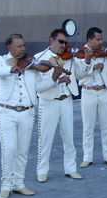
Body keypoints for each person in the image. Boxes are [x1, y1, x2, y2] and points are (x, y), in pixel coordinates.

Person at [0, 34, 60, 198]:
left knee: (23, 150)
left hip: (27, 111)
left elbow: (39, 87)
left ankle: (19, 183)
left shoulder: (31, 64)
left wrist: (54, 78)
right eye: (19, 46)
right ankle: (6, 185)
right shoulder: (0, 60)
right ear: (9, 47)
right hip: (7, 111)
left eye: (24, 45)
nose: (23, 49)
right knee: (9, 149)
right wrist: (10, 70)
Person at [35, 29, 82, 182]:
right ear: (52, 40)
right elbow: (38, 87)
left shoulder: (68, 58)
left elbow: (80, 74)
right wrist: (56, 80)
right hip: (49, 102)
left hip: (66, 99)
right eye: (61, 42)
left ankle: (71, 168)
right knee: (45, 138)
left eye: (65, 43)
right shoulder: (40, 58)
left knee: (69, 137)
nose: (64, 45)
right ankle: (42, 170)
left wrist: (87, 62)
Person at [75, 27, 107, 168]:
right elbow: (78, 74)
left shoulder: (105, 53)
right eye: (98, 39)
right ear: (89, 40)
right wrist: (92, 66)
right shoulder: (79, 54)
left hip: (104, 91)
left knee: (106, 126)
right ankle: (87, 157)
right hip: (88, 92)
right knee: (88, 127)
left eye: (101, 39)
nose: (101, 42)